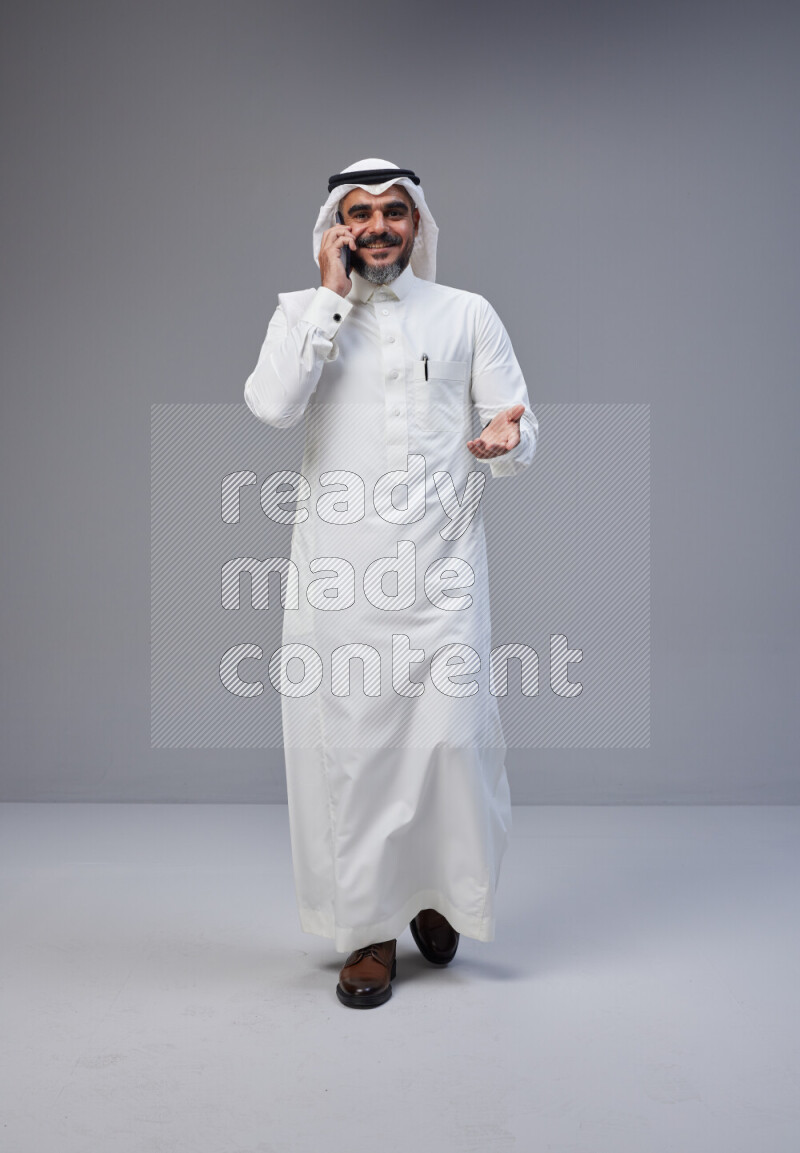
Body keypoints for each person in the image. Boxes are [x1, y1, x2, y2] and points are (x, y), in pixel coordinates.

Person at [244, 158, 538, 1008]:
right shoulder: (303, 316)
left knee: (452, 744)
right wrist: (328, 299)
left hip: (444, 571)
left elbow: (517, 422)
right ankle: (369, 929)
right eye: (360, 213)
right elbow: (272, 404)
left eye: (395, 213)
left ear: (419, 226)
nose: (378, 227)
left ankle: (437, 897)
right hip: (342, 577)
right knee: (360, 752)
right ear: (338, 225)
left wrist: (504, 442)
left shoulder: (466, 314)